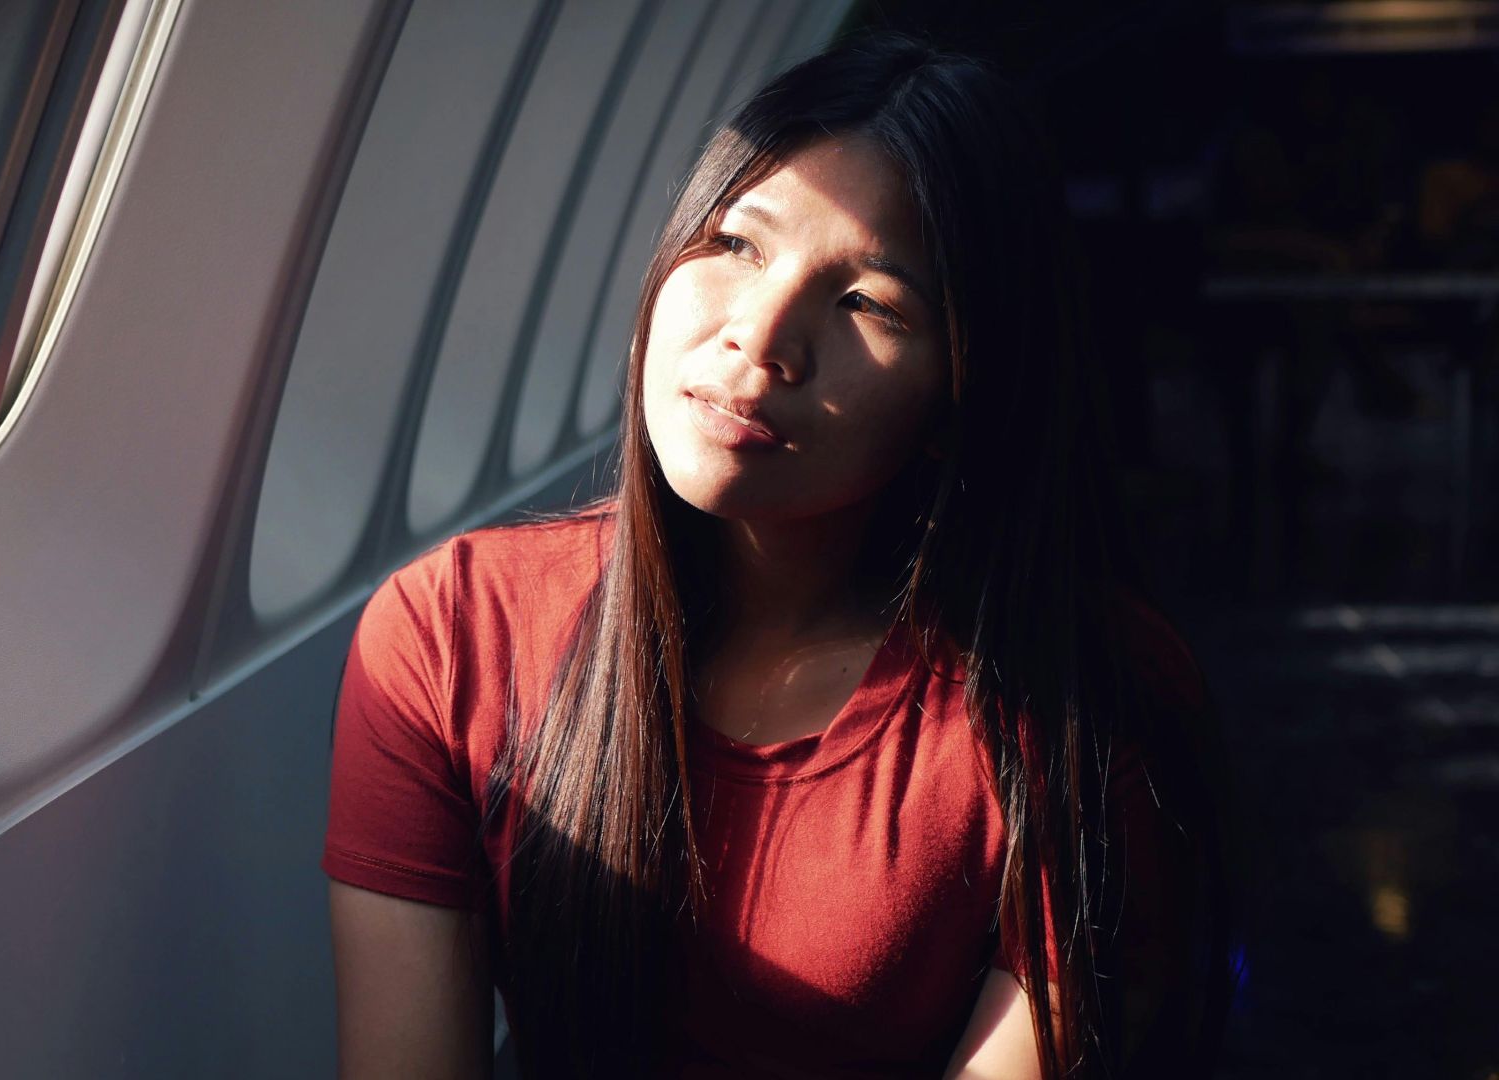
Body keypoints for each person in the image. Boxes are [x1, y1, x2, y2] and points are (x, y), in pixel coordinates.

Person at [322, 30, 1235, 1080]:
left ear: (963, 391)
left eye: (867, 303)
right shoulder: (450, 634)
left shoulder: (1078, 698)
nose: (761, 339)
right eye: (735, 245)